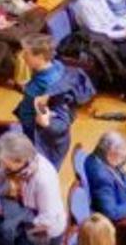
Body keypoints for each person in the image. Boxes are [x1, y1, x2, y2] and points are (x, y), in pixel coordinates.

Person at [14, 35, 95, 170]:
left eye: (26, 54)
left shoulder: (52, 86)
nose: (23, 57)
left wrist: (46, 124)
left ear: (39, 57)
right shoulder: (54, 66)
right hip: (32, 134)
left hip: (45, 145)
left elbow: (62, 124)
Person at [83, 132, 126, 224]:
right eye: (121, 156)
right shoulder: (101, 177)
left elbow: (121, 173)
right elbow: (112, 213)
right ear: (110, 153)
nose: (123, 159)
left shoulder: (99, 157)